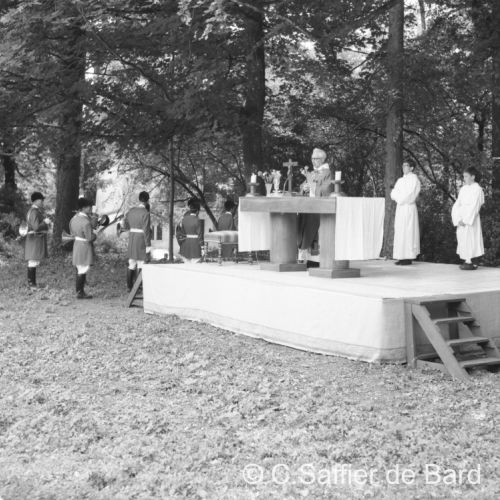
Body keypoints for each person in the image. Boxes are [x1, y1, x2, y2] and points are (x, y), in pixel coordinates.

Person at [297, 148, 334, 266]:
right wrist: (304, 188)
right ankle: (303, 254)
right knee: (301, 220)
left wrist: (314, 188)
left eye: (316, 158)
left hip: (319, 207)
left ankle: (314, 259)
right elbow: (303, 186)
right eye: (312, 158)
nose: (313, 161)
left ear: (322, 159)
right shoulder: (312, 173)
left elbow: (327, 189)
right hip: (308, 206)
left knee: (312, 223)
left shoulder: (327, 173)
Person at [451, 167, 484, 270]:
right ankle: (466, 260)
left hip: (470, 220)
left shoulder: (477, 189)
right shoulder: (463, 189)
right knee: (463, 239)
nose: (464, 178)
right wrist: (458, 219)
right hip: (461, 219)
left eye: (466, 176)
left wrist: (465, 220)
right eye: (464, 176)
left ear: (473, 177)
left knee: (471, 239)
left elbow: (475, 206)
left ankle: (473, 262)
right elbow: (457, 204)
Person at [390, 159, 421, 265]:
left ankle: (408, 257)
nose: (404, 167)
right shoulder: (400, 180)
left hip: (408, 208)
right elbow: (393, 193)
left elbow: (410, 195)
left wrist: (400, 198)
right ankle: (401, 256)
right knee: (400, 231)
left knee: (408, 231)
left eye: (406, 165)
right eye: (403, 165)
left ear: (411, 168)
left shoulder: (414, 179)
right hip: (400, 208)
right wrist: (399, 198)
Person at [121, 191, 152, 292]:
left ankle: (129, 287)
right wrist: (148, 246)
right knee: (141, 263)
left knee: (131, 262)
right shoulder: (145, 213)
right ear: (147, 200)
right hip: (141, 238)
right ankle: (139, 287)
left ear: (139, 199)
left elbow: (125, 224)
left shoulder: (131, 211)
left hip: (132, 237)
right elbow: (146, 231)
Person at [69, 197, 96, 299]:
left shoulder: (74, 218)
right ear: (84, 208)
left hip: (77, 244)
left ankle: (79, 291)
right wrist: (95, 235)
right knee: (83, 269)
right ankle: (80, 292)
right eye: (89, 207)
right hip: (84, 246)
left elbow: (72, 232)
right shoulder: (86, 222)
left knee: (80, 267)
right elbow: (90, 238)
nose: (91, 208)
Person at [24, 191, 50, 289]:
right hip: (34, 239)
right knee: (32, 261)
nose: (42, 202)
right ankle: (32, 285)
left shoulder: (32, 211)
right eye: (41, 200)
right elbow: (36, 227)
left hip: (33, 239)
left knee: (33, 261)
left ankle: (32, 283)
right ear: (37, 200)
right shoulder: (34, 211)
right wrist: (45, 222)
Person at [176, 198, 203, 263]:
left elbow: (179, 232)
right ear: (197, 211)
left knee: (186, 265)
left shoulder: (183, 219)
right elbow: (200, 235)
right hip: (195, 245)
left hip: (185, 245)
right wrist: (202, 247)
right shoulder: (197, 220)